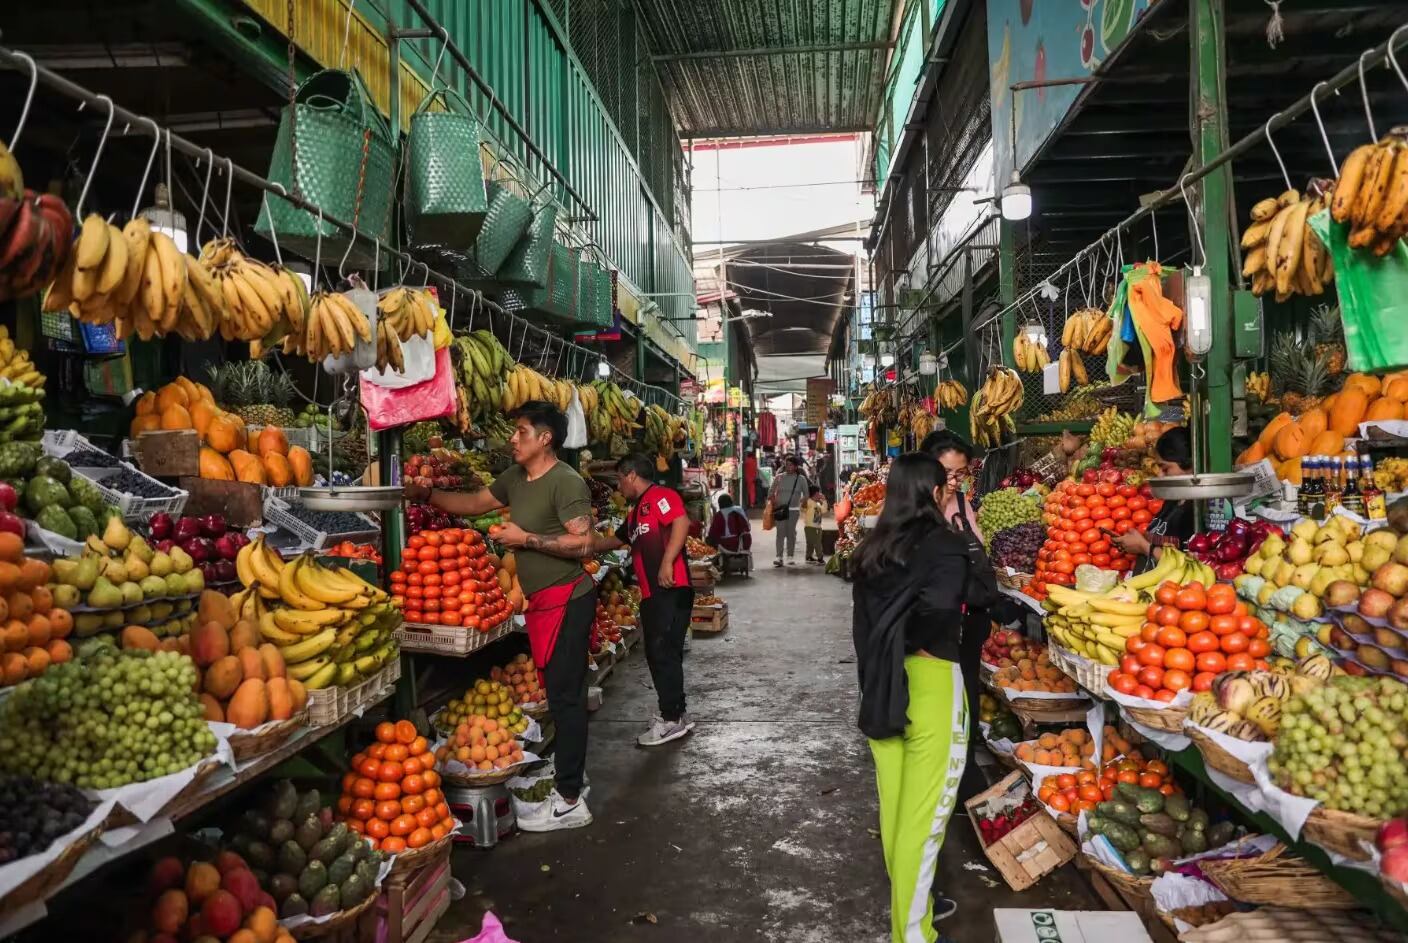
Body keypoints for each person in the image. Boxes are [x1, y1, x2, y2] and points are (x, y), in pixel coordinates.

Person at [405, 401, 597, 831]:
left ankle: (570, 803)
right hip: (544, 604)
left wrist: (525, 538)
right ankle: (572, 775)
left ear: (545, 438)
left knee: (566, 697)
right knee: (557, 692)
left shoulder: (566, 482)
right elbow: (475, 501)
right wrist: (427, 495)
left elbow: (583, 544)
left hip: (568, 600)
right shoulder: (515, 477)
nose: (513, 438)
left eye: (522, 431)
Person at [852, 453, 971, 940]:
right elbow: (942, 610)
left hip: (881, 688)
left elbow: (863, 629)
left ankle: (909, 924)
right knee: (923, 829)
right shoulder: (946, 546)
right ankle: (913, 935)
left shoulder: (872, 548)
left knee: (898, 816)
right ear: (935, 491)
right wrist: (916, 641)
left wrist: (890, 649)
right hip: (930, 685)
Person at [595, 454, 696, 746]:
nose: (618, 487)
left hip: (670, 589)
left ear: (630, 476)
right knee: (664, 655)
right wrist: (586, 547)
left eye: (618, 480)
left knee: (662, 654)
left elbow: (680, 522)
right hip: (654, 594)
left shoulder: (661, 496)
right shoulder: (636, 511)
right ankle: (677, 714)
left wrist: (667, 562)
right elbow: (616, 540)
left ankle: (671, 720)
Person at [919, 430, 986, 803]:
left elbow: (976, 548)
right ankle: (941, 777)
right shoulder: (913, 510)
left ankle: (963, 777)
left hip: (969, 616)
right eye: (947, 473)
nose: (954, 482)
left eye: (961, 474)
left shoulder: (961, 501)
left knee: (967, 696)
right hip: (937, 622)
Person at [1112, 426, 1193, 572]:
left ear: (1189, 464)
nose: (1160, 475)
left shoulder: (1197, 511)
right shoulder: (1173, 500)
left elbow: (1189, 565)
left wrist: (1143, 547)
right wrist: (1138, 539)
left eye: (1165, 468)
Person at [767, 455, 810, 567]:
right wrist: (773, 501)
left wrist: (801, 501)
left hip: (794, 510)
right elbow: (770, 492)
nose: (788, 467)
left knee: (791, 533)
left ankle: (790, 556)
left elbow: (806, 494)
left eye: (790, 465)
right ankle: (779, 557)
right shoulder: (779, 477)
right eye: (786, 464)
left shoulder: (801, 479)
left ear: (796, 466)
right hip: (780, 510)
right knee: (780, 532)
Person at [802, 485, 829, 564]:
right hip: (810, 526)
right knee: (816, 543)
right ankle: (820, 558)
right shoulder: (809, 502)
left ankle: (808, 556)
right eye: (818, 493)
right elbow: (803, 508)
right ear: (815, 493)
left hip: (817, 526)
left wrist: (824, 501)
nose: (820, 495)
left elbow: (824, 510)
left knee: (811, 542)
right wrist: (804, 501)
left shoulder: (817, 504)